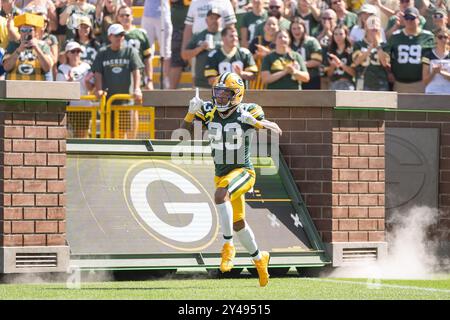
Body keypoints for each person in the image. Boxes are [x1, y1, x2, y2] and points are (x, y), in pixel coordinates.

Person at [181, 71, 283, 287]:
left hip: (243, 171)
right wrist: (190, 113)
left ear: (237, 95)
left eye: (225, 94)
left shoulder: (250, 110)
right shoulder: (209, 111)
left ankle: (228, 246)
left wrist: (255, 122)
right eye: (217, 92)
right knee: (238, 223)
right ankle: (259, 259)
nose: (219, 98)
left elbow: (277, 130)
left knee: (221, 195)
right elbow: (182, 134)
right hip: (221, 173)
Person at [92, 23, 144, 139]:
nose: (119, 38)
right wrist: (99, 88)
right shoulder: (103, 53)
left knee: (122, 133)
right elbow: (97, 72)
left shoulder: (130, 51)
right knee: (109, 133)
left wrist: (137, 88)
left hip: (125, 101)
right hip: (108, 100)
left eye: (121, 35)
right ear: (110, 36)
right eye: (116, 35)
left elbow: (136, 70)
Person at [379, 7, 435, 93]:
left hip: (420, 83)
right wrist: (389, 72)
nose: (409, 21)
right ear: (403, 20)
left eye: (412, 18)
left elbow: (434, 55)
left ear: (418, 19)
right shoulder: (395, 36)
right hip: (399, 83)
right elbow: (387, 56)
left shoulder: (428, 36)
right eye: (407, 18)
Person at [56, 41, 95, 138]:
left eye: (78, 51)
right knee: (68, 136)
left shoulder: (86, 67)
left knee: (82, 137)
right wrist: (69, 82)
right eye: (73, 51)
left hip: (84, 107)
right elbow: (59, 90)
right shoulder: (62, 68)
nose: (76, 54)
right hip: (69, 108)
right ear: (67, 54)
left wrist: (87, 82)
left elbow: (91, 88)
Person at [3, 13, 53, 80]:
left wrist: (37, 48)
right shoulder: (13, 45)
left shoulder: (43, 45)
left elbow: (47, 68)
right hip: (15, 87)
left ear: (35, 32)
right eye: (23, 30)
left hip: (37, 87)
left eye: (30, 30)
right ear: (19, 32)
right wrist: (19, 50)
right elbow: (6, 67)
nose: (26, 33)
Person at [181, 8, 222, 89]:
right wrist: (200, 48)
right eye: (211, 18)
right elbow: (184, 55)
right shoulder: (198, 35)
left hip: (222, 84)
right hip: (201, 83)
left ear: (220, 20)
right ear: (206, 20)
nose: (214, 20)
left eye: (217, 18)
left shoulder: (226, 35)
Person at [117, 5, 153, 90]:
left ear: (132, 17)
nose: (125, 17)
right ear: (118, 18)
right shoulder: (114, 34)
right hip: (119, 77)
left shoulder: (141, 34)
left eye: (127, 15)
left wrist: (150, 80)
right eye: (122, 15)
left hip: (138, 76)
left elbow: (147, 59)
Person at [352, 15, 390, 91]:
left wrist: (378, 46)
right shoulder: (359, 44)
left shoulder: (385, 46)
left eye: (376, 27)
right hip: (363, 81)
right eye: (371, 27)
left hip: (380, 82)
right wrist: (369, 50)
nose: (374, 29)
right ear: (366, 28)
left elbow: (385, 63)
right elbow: (356, 62)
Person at [141, 0, 172, 89]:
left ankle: (165, 80)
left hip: (163, 15)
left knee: (165, 51)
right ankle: (148, 80)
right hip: (147, 15)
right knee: (147, 50)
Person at [289, 17, 322, 89]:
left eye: (299, 28)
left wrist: (300, 64)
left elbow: (317, 61)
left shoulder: (311, 42)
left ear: (304, 29)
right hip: (293, 80)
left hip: (311, 78)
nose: (296, 31)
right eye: (294, 29)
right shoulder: (288, 43)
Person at [325, 24, 356, 90]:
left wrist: (340, 64)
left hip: (348, 84)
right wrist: (332, 66)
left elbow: (354, 73)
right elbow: (329, 75)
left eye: (341, 34)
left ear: (346, 35)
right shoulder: (330, 51)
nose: (338, 37)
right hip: (334, 83)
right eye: (335, 34)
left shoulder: (351, 51)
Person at [168, 0, 189, 89]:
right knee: (176, 61)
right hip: (178, 28)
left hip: (196, 26)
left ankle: (197, 93)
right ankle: (170, 95)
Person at [422, 27, 450, 93]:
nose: (443, 39)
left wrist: (441, 72)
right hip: (432, 91)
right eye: (440, 37)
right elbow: (425, 81)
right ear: (435, 39)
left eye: (445, 37)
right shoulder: (427, 56)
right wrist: (433, 72)